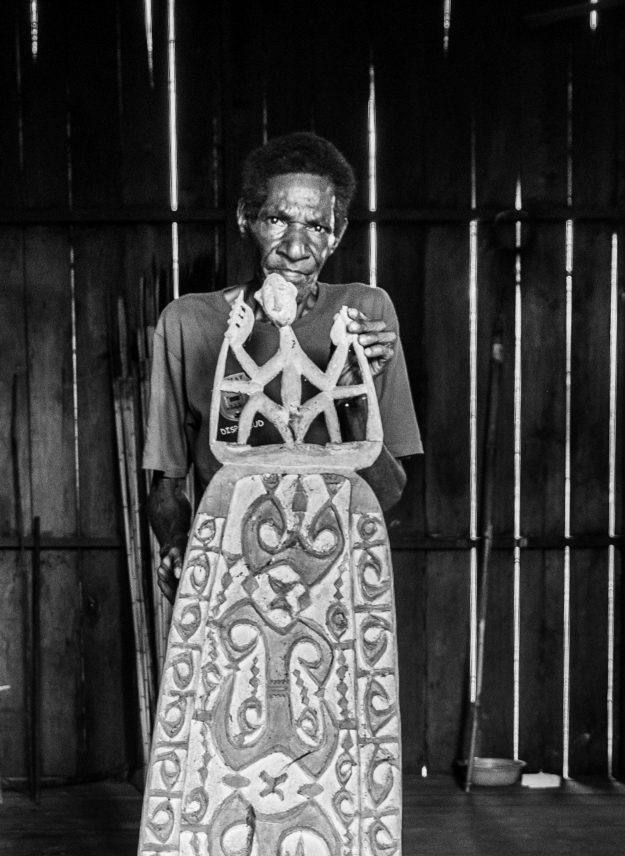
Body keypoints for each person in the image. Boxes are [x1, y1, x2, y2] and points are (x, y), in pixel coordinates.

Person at [142, 131, 423, 595]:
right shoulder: (190, 322)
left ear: (339, 233)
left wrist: (351, 395)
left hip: (337, 579)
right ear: (245, 218)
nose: (296, 247)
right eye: (277, 219)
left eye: (316, 226)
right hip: (229, 574)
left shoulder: (365, 317)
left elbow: (389, 495)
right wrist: (178, 548)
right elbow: (166, 488)